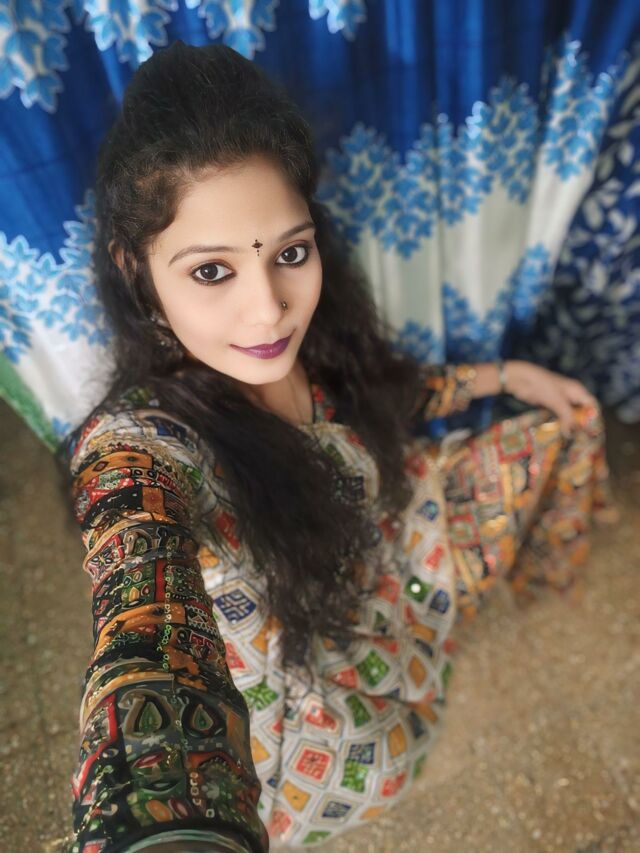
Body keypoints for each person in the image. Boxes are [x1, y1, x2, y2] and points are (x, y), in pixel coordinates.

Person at [57, 40, 619, 852]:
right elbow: (141, 601)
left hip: (398, 547)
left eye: (291, 252)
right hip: (317, 677)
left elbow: (388, 394)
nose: (269, 310)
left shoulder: (317, 337)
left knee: (557, 428)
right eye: (212, 272)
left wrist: (508, 376)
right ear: (136, 270)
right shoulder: (141, 445)